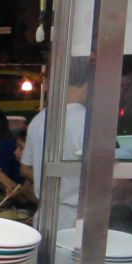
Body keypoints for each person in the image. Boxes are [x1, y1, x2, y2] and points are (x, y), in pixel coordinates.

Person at [20, 58, 89, 231]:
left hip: (46, 215)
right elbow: (105, 176)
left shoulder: (39, 119)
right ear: (88, 82)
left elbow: (26, 168)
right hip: (75, 221)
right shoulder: (87, 121)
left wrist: (50, 181)